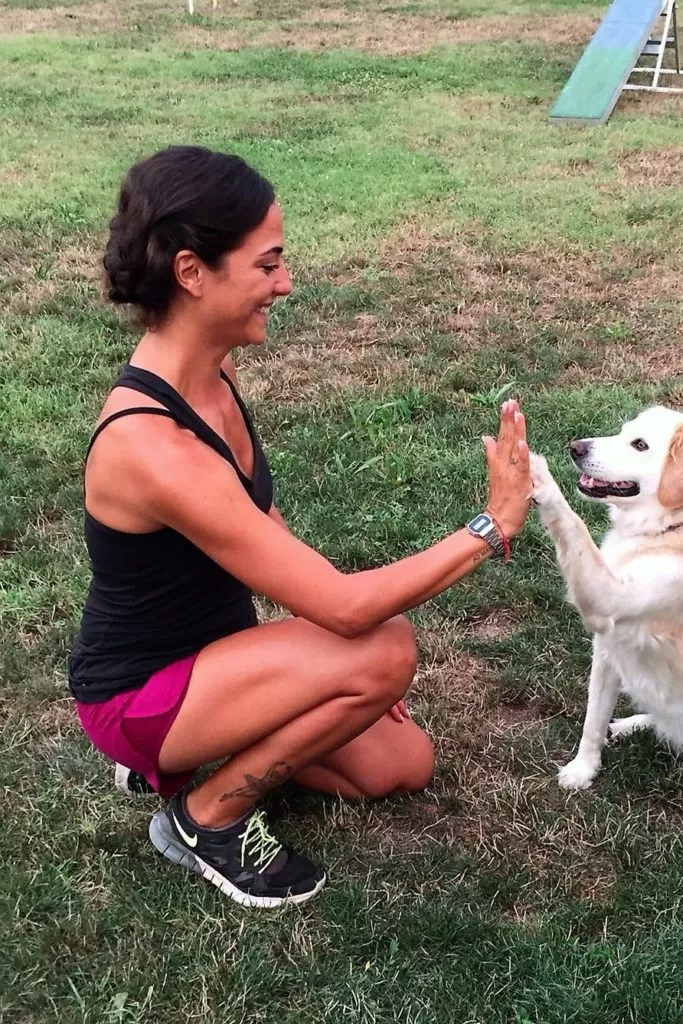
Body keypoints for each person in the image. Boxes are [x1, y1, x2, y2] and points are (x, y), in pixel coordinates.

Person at [69, 145, 532, 909]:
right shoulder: (151, 445)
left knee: (401, 765)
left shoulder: (211, 372)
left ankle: (190, 761)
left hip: (218, 658)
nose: (285, 283)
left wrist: (317, 661)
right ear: (192, 272)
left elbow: (266, 532)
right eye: (267, 265)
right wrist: (491, 524)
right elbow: (351, 609)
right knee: (384, 644)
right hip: (141, 695)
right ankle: (204, 816)